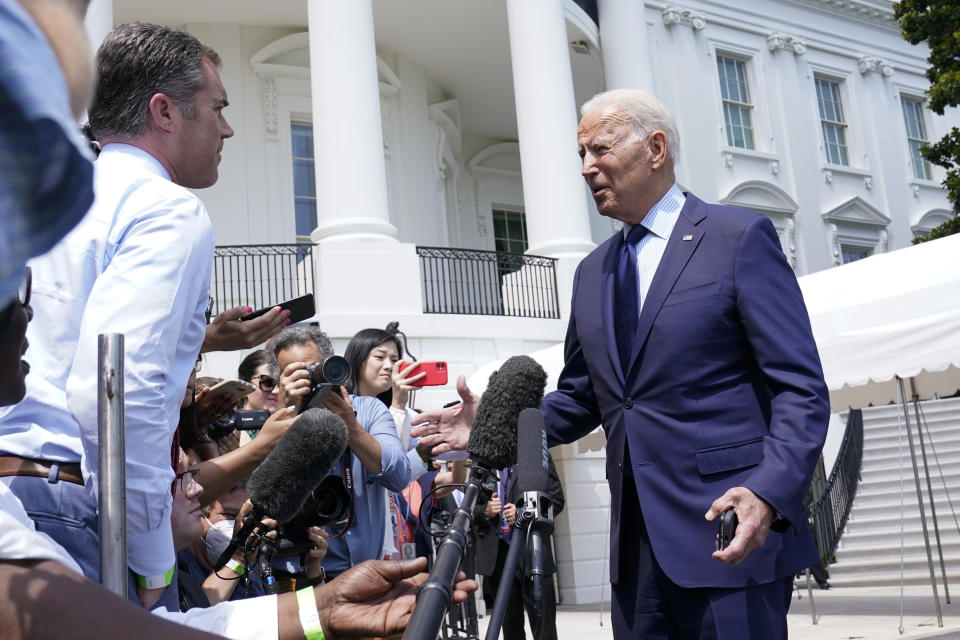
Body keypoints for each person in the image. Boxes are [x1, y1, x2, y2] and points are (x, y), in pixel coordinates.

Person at [413, 90, 831, 639]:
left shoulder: (737, 238)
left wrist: (767, 492)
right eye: (580, 154)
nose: (586, 168)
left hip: (729, 533)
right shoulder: (592, 272)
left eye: (600, 149)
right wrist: (495, 426)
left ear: (655, 148)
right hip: (636, 554)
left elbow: (800, 388)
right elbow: (584, 395)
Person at [0, 21, 278, 611]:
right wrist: (151, 559)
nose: (227, 128)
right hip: (72, 510)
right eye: (218, 107)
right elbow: (114, 392)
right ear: (165, 112)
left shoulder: (48, 195)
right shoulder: (167, 209)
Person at [273, 325, 410, 579]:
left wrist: (353, 429)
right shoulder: (275, 424)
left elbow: (399, 476)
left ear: (329, 365)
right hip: (304, 576)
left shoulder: (368, 411)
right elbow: (270, 493)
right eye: (295, 374)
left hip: (367, 573)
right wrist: (287, 416)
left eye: (313, 369)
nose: (309, 381)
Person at [475, 455, 564, 640]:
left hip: (534, 553)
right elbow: (470, 509)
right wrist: (485, 510)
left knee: (544, 630)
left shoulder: (537, 453)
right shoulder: (483, 462)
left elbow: (556, 500)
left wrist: (524, 513)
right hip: (499, 559)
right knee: (510, 629)